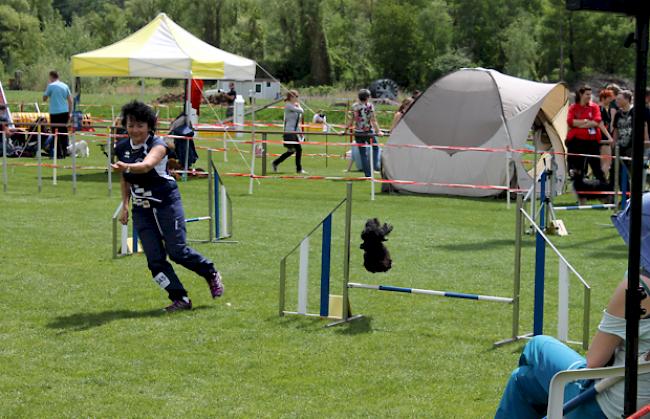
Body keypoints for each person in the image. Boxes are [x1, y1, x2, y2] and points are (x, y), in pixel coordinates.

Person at [495, 193, 650, 418]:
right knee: (522, 379)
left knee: (536, 346)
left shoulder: (637, 288)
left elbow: (594, 362)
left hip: (609, 404)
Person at [111, 101, 224, 312]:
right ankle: (180, 298)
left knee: (177, 251)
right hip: (141, 209)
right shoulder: (121, 148)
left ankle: (209, 272)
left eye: (140, 125)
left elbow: (145, 166)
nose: (135, 130)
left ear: (150, 126)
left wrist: (126, 166)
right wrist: (125, 206)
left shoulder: (158, 145)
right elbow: (125, 179)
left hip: (166, 202)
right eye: (130, 125)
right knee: (154, 261)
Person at [566, 85, 607, 204]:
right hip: (576, 142)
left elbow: (596, 121)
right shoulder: (573, 108)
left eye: (590, 94)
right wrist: (586, 122)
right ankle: (581, 197)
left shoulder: (594, 107)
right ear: (581, 95)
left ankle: (604, 195)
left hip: (592, 142)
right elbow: (570, 122)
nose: (590, 96)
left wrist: (579, 124)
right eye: (587, 94)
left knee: (597, 169)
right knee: (578, 170)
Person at [347, 88, 383, 177]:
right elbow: (373, 120)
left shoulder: (354, 106)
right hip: (368, 132)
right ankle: (373, 167)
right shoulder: (370, 106)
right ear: (367, 97)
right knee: (376, 148)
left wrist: (344, 130)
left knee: (363, 154)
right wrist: (379, 131)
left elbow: (351, 120)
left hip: (358, 132)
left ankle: (368, 174)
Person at [272, 90, 306, 174]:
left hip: (294, 132)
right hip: (289, 132)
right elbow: (302, 111)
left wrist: (300, 133)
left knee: (292, 150)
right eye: (296, 97)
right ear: (291, 97)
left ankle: (275, 163)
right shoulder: (288, 105)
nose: (297, 98)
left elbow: (296, 122)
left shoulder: (294, 106)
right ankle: (299, 169)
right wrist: (299, 106)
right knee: (298, 149)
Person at [42, 70, 72, 159]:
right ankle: (65, 151)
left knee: (55, 133)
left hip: (55, 113)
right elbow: (70, 101)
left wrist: (47, 88)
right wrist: (70, 113)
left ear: (51, 77)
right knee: (64, 132)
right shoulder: (65, 86)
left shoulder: (51, 86)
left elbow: (44, 98)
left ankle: (58, 153)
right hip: (64, 112)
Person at [597, 89, 616, 179]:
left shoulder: (603, 108)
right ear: (603, 98)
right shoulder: (600, 109)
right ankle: (602, 180)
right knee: (607, 161)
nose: (611, 100)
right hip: (604, 138)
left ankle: (601, 179)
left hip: (603, 137)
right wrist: (609, 137)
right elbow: (600, 124)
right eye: (609, 98)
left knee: (603, 161)